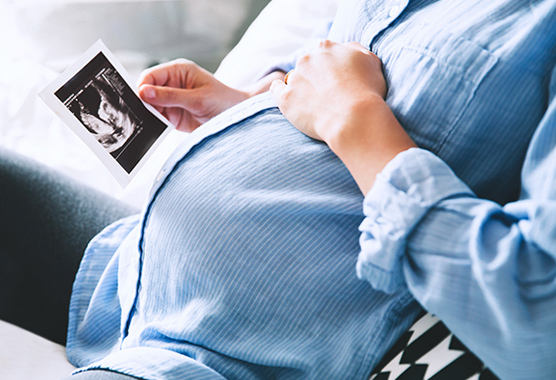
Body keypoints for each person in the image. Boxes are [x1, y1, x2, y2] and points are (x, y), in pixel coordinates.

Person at [0, 1, 554, 380]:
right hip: (128, 275)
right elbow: (364, 97)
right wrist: (253, 108)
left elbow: (538, 315)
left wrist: (352, 114)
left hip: (227, 353)